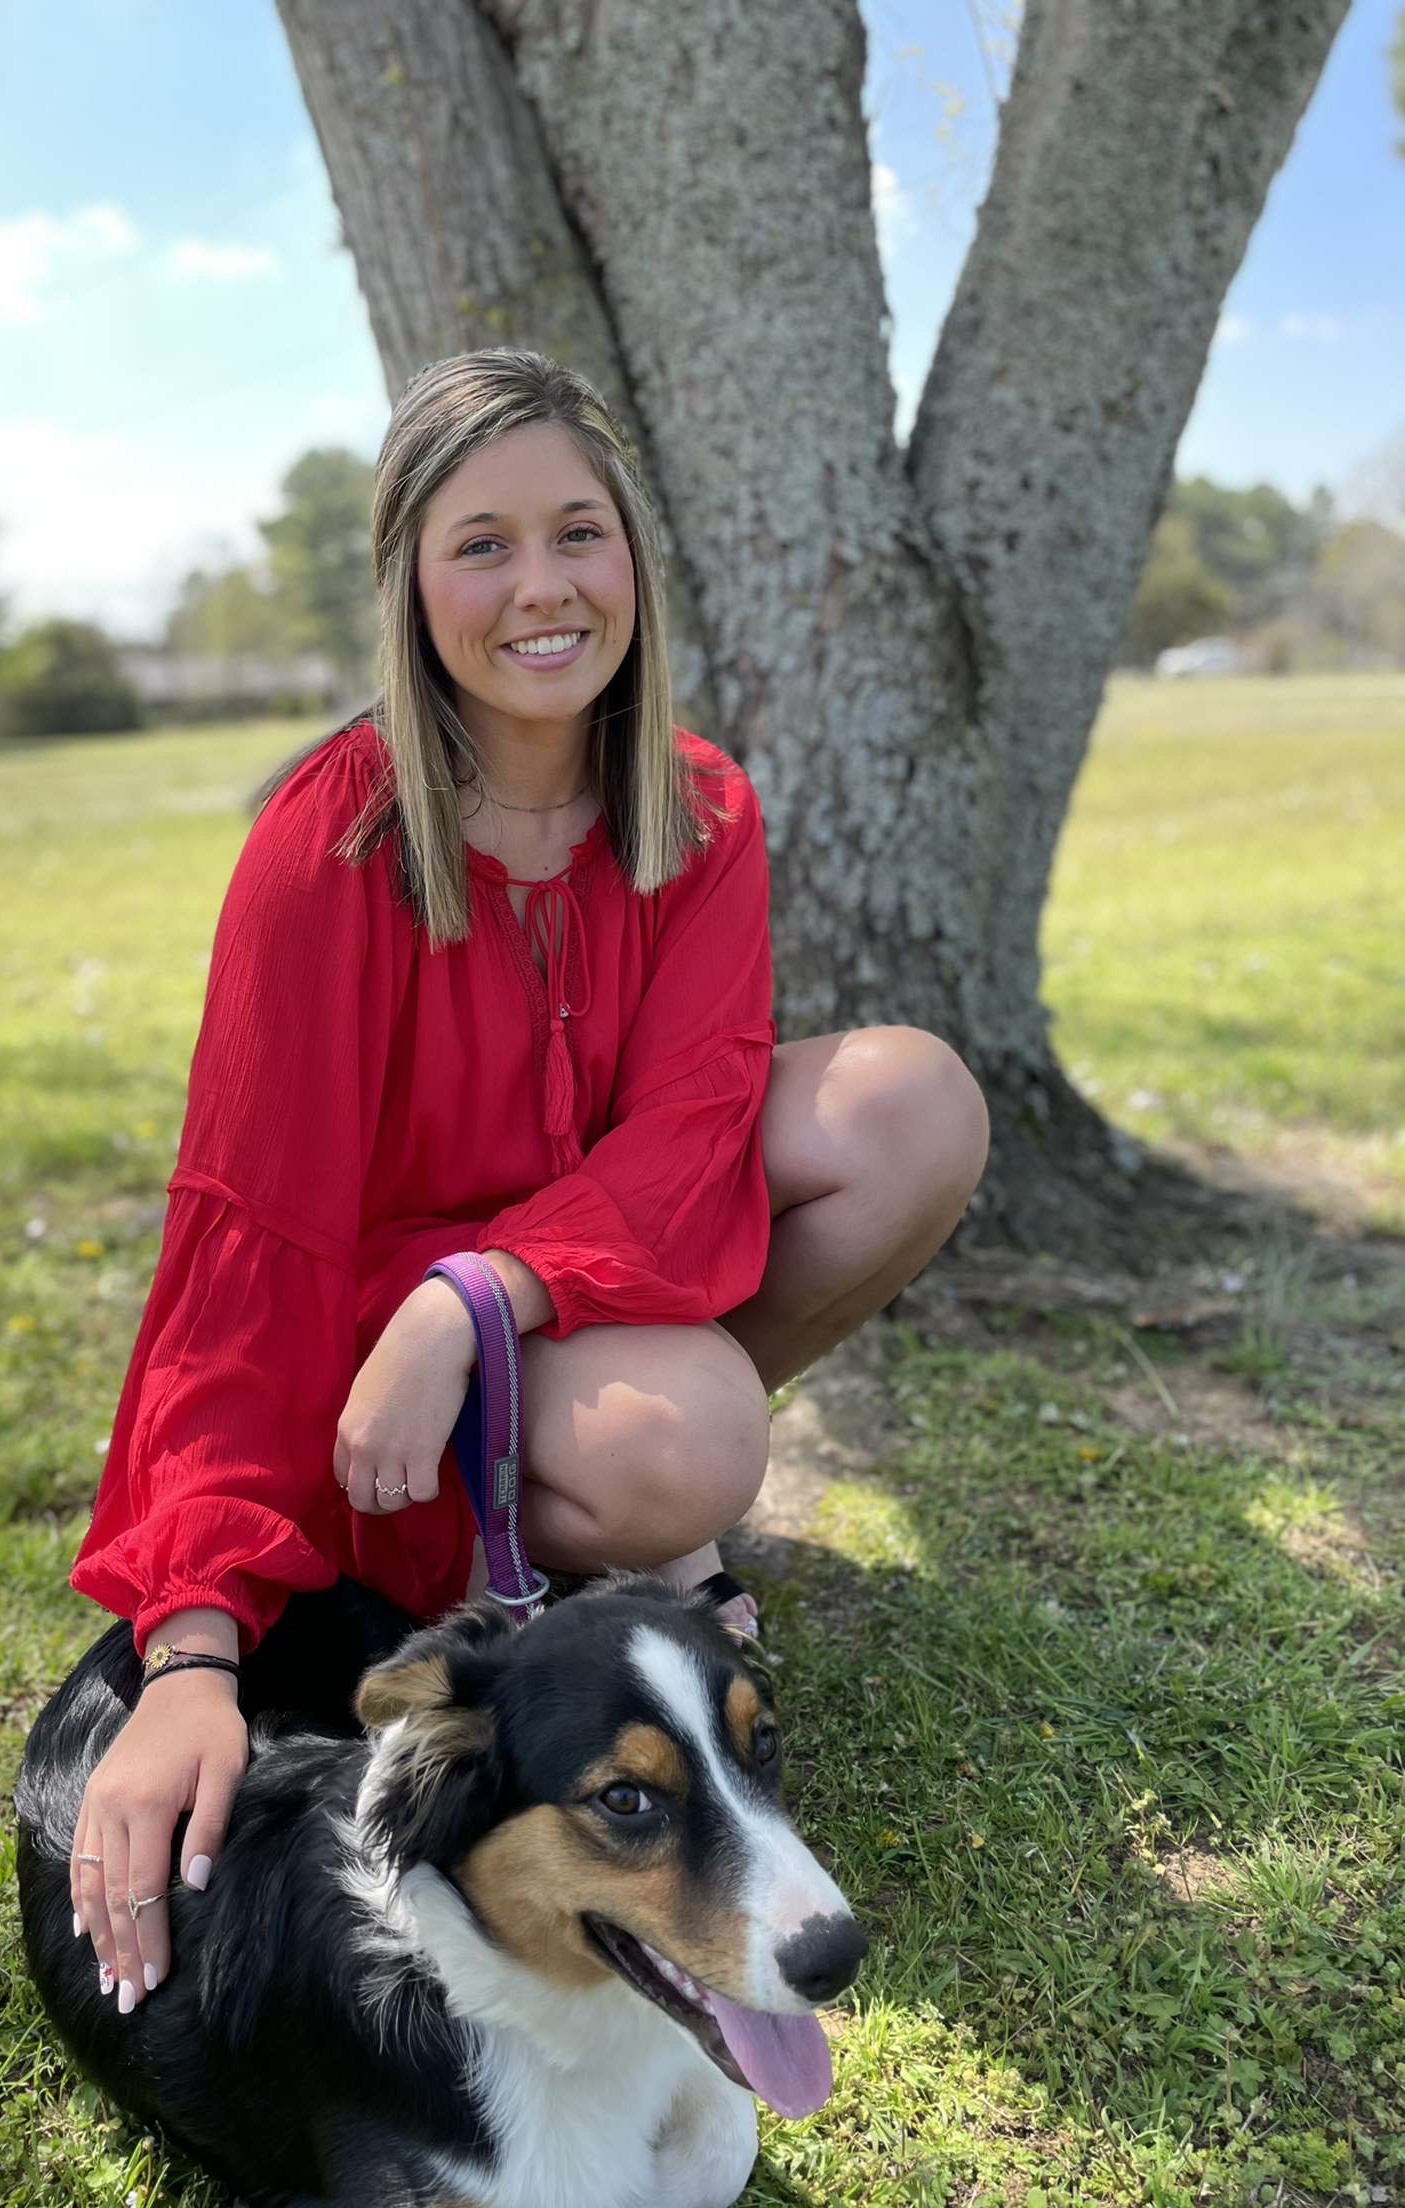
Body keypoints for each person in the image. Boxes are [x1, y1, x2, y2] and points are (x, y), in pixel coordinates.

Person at [64, 348, 990, 2022]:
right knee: (685, 1442)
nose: (543, 586)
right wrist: (190, 1648)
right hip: (372, 1347)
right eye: (481, 545)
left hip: (553, 1280)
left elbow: (698, 1119)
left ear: (633, 550)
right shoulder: (332, 842)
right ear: (410, 587)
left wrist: (485, 1294)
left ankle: (603, 1470)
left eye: (579, 532)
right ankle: (606, 1475)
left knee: (909, 1104)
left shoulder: (700, 806)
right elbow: (246, 1244)